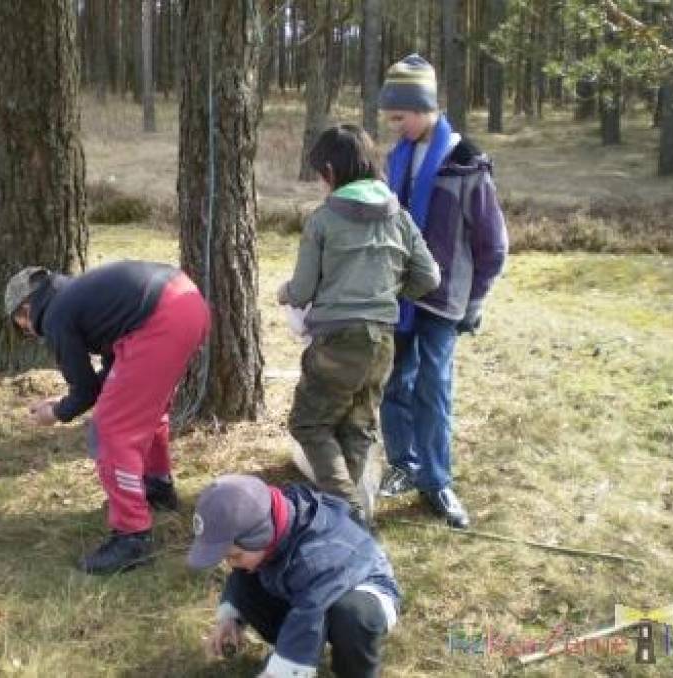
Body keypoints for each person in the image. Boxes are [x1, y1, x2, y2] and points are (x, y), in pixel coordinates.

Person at [277, 124, 440, 524]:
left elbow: (301, 290)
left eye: (320, 174)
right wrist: (389, 290)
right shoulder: (399, 217)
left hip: (337, 341)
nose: (321, 182)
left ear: (331, 170)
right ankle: (348, 525)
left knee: (310, 423)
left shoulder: (323, 220)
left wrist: (285, 293)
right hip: (382, 340)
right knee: (356, 428)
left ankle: (346, 513)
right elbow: (429, 279)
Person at [4, 261, 210, 574]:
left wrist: (56, 412)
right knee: (144, 412)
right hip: (187, 302)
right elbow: (112, 372)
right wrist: (63, 402)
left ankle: (132, 537)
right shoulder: (79, 294)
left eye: (24, 328)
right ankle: (156, 486)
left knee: (110, 431)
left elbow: (85, 390)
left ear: (26, 310)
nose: (32, 333)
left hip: (162, 318)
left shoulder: (55, 316)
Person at [376, 55, 509, 529]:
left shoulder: (465, 161)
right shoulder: (396, 157)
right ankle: (402, 464)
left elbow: (491, 242)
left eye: (400, 116)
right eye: (391, 117)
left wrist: (476, 302)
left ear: (425, 106)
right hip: (399, 296)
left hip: (445, 298)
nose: (395, 125)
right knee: (395, 381)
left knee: (433, 387)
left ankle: (436, 481)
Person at [188, 474, 400, 678]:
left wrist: (280, 671)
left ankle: (353, 671)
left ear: (260, 536)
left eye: (234, 556)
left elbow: (310, 611)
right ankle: (293, 649)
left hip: (363, 588)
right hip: (307, 589)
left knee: (351, 615)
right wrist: (230, 618)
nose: (229, 563)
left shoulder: (317, 556)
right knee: (247, 572)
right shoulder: (270, 520)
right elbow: (242, 574)